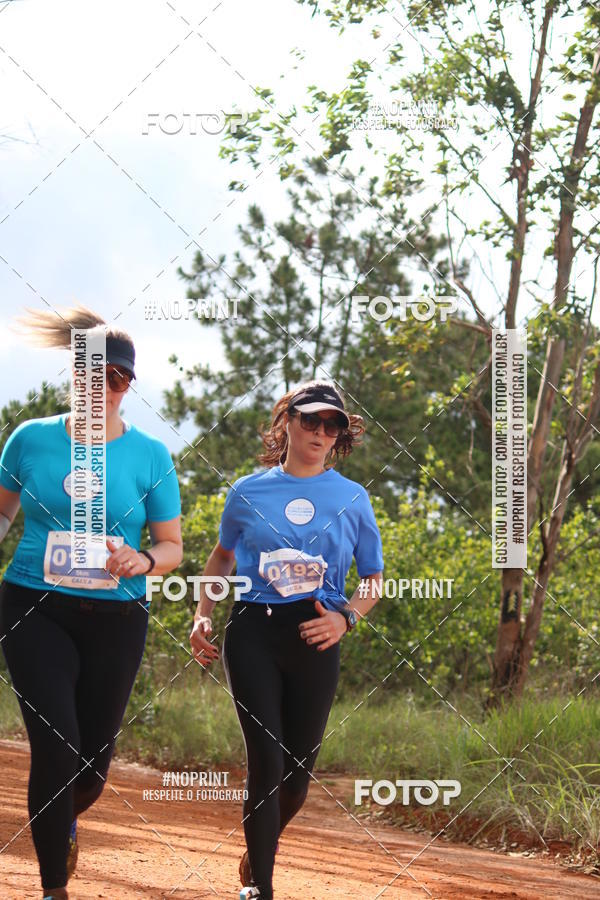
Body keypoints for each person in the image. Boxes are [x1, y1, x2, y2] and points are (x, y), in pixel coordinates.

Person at [0, 306, 182, 900]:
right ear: (73, 372)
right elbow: (2, 515)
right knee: (56, 745)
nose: (100, 386)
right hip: (33, 605)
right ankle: (54, 888)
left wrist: (144, 561)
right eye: (89, 371)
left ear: (128, 384)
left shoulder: (151, 456)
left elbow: (171, 545)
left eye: (115, 377)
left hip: (118, 617)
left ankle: (65, 820)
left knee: (91, 767)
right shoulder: (30, 439)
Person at [189, 380, 384, 900]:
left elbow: (373, 580)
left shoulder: (352, 498)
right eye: (311, 421)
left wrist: (346, 619)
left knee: (296, 779)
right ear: (287, 422)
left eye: (332, 425)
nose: (320, 432)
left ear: (340, 435)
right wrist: (202, 614)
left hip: (318, 634)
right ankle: (262, 890)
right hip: (255, 626)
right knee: (267, 762)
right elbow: (221, 559)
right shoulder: (248, 491)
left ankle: (258, 850)